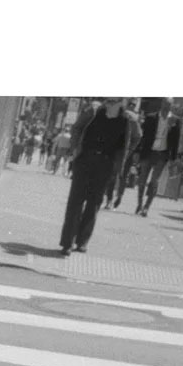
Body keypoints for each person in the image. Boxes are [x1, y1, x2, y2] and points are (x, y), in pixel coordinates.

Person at [58, 97, 138, 255]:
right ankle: (67, 243)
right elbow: (77, 127)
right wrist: (75, 147)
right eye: (108, 100)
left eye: (113, 101)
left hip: (106, 164)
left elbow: (136, 137)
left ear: (120, 103)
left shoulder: (128, 120)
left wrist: (123, 155)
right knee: (75, 201)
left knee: (93, 203)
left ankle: (82, 241)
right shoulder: (93, 111)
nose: (109, 104)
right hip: (84, 160)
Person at [134, 101, 183, 216]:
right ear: (161, 105)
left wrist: (173, 158)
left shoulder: (175, 121)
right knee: (142, 180)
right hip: (148, 152)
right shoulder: (151, 117)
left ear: (171, 106)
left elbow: (176, 141)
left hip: (162, 154)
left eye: (168, 105)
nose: (166, 108)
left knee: (154, 181)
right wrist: (137, 151)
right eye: (165, 105)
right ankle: (139, 204)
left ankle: (146, 207)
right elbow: (143, 136)